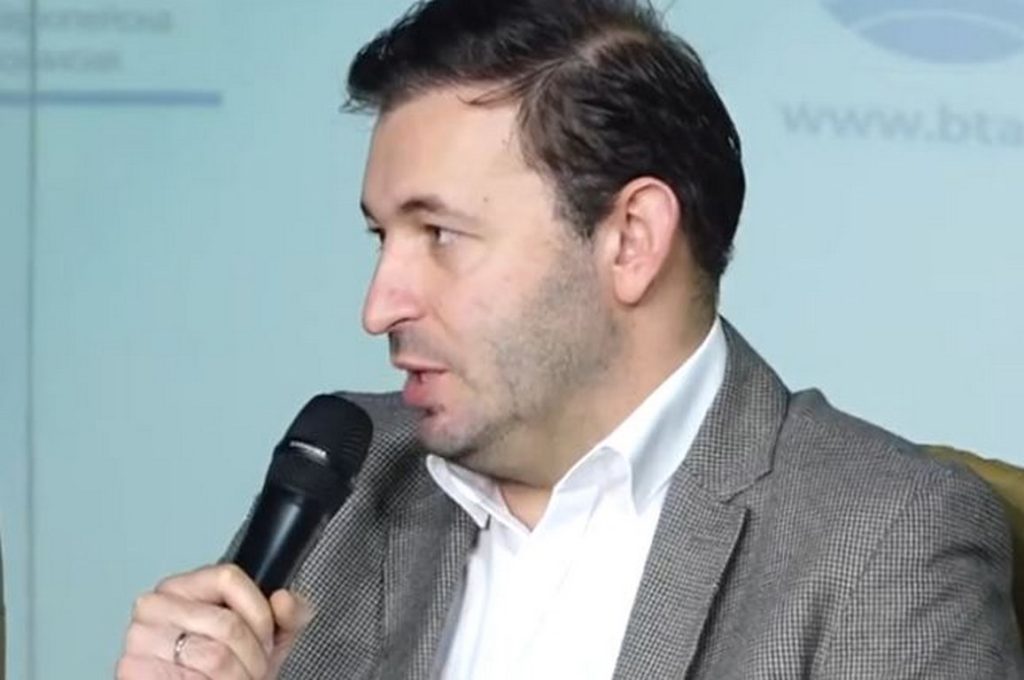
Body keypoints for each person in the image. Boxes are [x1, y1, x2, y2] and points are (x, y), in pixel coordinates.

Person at [116, 0, 1024, 678]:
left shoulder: (882, 537)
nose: (380, 304)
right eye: (381, 237)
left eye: (441, 235)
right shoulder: (342, 481)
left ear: (630, 240)